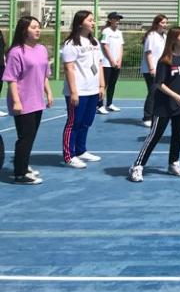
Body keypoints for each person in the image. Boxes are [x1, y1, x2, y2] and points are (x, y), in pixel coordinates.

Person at [128, 27, 180, 182]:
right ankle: (137, 166)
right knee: (154, 136)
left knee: (177, 135)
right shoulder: (165, 60)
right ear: (174, 39)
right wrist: (175, 95)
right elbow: (159, 84)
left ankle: (173, 163)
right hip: (164, 106)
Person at [3, 16, 53, 184]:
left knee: (30, 137)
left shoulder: (41, 49)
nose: (38, 30)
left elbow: (45, 75)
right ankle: (20, 174)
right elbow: (11, 79)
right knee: (25, 137)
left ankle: (23, 165)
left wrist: (49, 93)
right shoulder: (16, 52)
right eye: (33, 27)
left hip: (37, 101)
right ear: (24, 30)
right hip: (23, 102)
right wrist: (16, 101)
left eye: (38, 27)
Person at [60, 10, 105, 168]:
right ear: (80, 23)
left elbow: (99, 64)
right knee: (74, 123)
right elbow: (69, 68)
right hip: (78, 91)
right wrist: (74, 92)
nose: (93, 23)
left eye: (93, 20)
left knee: (86, 122)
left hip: (92, 90)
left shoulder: (94, 42)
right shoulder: (71, 44)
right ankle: (69, 156)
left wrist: (101, 85)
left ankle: (81, 150)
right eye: (90, 20)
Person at [140, 15, 169, 127]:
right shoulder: (151, 36)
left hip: (161, 69)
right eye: (162, 22)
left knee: (159, 93)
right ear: (157, 23)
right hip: (151, 70)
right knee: (153, 92)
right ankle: (147, 117)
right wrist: (152, 68)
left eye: (166, 23)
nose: (164, 25)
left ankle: (156, 115)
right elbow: (148, 53)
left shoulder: (164, 36)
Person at [98, 11, 124, 114]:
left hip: (116, 64)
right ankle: (99, 105)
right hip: (106, 63)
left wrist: (119, 60)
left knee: (112, 84)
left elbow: (121, 46)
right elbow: (104, 46)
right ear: (110, 20)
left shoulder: (119, 33)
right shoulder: (105, 31)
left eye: (119, 19)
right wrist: (112, 60)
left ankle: (109, 104)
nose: (118, 21)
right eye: (116, 19)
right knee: (104, 85)